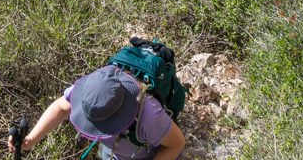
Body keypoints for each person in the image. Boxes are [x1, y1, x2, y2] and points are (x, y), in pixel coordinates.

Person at [14, 61, 185, 160]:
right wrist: (30, 140)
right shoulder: (89, 93)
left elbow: (176, 144)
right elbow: (60, 107)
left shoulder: (149, 116)